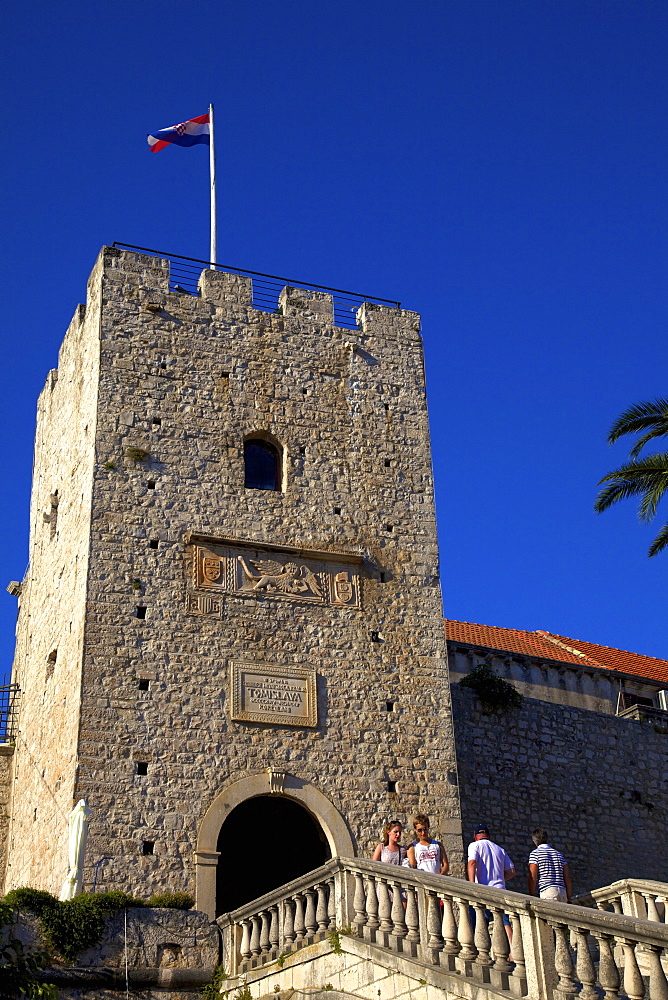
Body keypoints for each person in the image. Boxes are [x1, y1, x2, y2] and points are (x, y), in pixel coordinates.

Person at [467, 824, 515, 943]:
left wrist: (472, 885)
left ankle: (477, 951)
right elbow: (512, 871)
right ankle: (513, 952)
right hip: (500, 889)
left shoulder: (474, 845)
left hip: (482, 889)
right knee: (505, 922)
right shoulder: (499, 849)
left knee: (478, 921)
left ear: (475, 836)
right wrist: (500, 880)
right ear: (488, 836)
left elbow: (472, 863)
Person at [527, 829, 572, 902]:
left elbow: (533, 877)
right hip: (562, 892)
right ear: (547, 839)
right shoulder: (559, 854)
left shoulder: (535, 854)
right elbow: (567, 878)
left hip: (548, 891)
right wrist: (569, 897)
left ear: (534, 841)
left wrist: (531, 894)